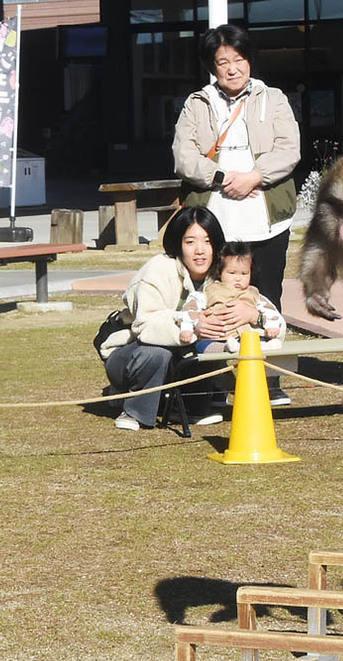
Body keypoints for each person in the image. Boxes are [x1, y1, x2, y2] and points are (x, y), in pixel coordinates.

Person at [173, 24, 300, 405]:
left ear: (250, 60)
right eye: (222, 62)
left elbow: (289, 149)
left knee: (268, 298)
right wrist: (224, 176)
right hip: (217, 217)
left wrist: (255, 177)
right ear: (212, 66)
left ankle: (268, 381)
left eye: (239, 59)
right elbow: (184, 155)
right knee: (211, 298)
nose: (232, 68)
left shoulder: (273, 98)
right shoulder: (198, 103)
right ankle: (212, 385)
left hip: (266, 217)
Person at [98, 206, 273, 431]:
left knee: (206, 347)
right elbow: (145, 326)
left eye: (207, 241)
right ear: (178, 244)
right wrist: (192, 326)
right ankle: (133, 410)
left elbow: (271, 317)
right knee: (157, 352)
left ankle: (188, 409)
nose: (200, 250)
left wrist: (253, 316)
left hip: (182, 357)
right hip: (131, 353)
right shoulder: (158, 269)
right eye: (190, 242)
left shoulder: (224, 276)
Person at [179, 240, 284, 353]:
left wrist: (271, 325)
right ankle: (226, 349)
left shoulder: (254, 294)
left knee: (265, 340)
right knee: (201, 345)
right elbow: (190, 308)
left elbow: (270, 311)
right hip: (219, 337)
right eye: (232, 273)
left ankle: (260, 347)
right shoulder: (209, 291)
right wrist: (187, 328)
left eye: (244, 273)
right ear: (220, 272)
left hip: (249, 336)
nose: (238, 278)